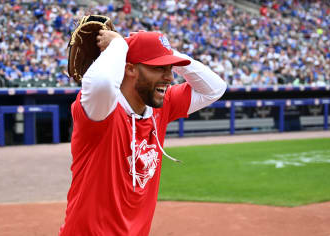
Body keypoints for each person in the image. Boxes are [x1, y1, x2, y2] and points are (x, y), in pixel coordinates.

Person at [60, 30, 227, 235]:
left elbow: (215, 88)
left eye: (170, 68)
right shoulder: (102, 110)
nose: (169, 77)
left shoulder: (160, 106)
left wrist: (165, 50)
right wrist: (120, 45)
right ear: (130, 69)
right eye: (159, 68)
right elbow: (102, 83)